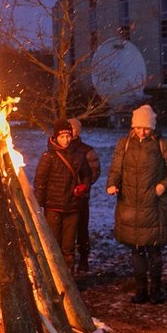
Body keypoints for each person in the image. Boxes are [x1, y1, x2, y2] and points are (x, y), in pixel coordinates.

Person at [106, 104, 167, 304]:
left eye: (146, 128)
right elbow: (116, 168)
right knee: (136, 250)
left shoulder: (162, 144)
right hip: (130, 206)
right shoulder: (124, 144)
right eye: (139, 127)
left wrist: (163, 186)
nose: (142, 131)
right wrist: (112, 184)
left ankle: (156, 290)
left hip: (155, 207)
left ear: (153, 128)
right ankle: (141, 290)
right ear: (133, 126)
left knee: (154, 251)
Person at [33, 119, 91, 274]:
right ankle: (55, 278)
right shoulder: (48, 157)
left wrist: (83, 187)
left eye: (68, 136)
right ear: (56, 137)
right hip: (53, 207)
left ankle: (69, 279)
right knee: (54, 245)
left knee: (68, 247)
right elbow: (40, 182)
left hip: (72, 207)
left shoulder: (79, 155)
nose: (66, 140)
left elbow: (87, 175)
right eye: (62, 137)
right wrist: (38, 205)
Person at [68, 117, 101, 274]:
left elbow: (94, 171)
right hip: (64, 197)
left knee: (81, 229)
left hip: (81, 198)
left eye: (73, 129)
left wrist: (82, 185)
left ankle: (83, 259)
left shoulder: (86, 151)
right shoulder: (62, 149)